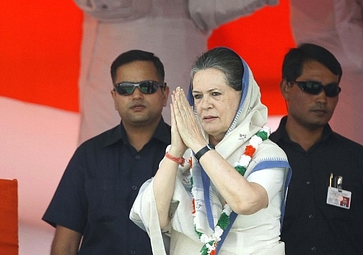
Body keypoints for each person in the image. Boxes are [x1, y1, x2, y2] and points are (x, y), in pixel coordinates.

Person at [130, 47, 290, 254]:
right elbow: (156, 218)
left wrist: (199, 146)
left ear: (243, 96)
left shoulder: (267, 153)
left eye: (215, 94)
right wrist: (176, 150)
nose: (205, 105)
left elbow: (246, 201)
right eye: (197, 96)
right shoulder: (185, 157)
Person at [42, 50, 171, 254]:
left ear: (164, 94)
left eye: (147, 87)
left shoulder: (188, 153)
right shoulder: (88, 156)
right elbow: (65, 244)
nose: (136, 95)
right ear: (114, 97)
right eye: (125, 89)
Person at [270, 43, 363, 254]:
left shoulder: (356, 159)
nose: (322, 98)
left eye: (331, 90)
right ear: (286, 88)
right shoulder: (262, 159)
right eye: (311, 87)